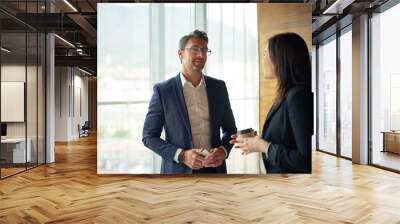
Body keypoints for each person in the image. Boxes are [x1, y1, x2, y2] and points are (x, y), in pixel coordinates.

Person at [142, 30, 237, 174]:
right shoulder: (163, 91)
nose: (201, 55)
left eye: (205, 50)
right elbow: (149, 137)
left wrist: (223, 151)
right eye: (195, 49)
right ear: (180, 54)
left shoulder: (219, 88)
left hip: (214, 171)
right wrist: (181, 155)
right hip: (178, 171)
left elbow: (230, 130)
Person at [231, 32, 313, 173]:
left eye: (265, 53)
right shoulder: (287, 93)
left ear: (281, 58)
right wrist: (257, 141)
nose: (262, 60)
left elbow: (306, 160)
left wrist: (264, 146)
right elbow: (288, 138)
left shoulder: (297, 96)